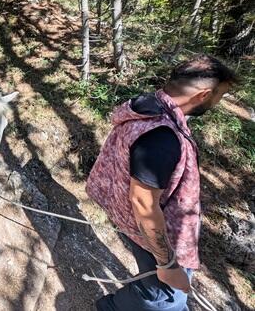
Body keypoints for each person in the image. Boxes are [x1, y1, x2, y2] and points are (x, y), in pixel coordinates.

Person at [86, 55, 237, 311]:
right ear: (203, 95)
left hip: (127, 214)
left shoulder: (150, 105)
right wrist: (167, 265)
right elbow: (143, 203)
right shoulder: (161, 138)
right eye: (219, 96)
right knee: (164, 297)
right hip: (150, 229)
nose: (217, 103)